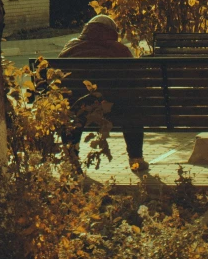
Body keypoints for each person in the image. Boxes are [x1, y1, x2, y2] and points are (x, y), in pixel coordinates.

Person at [58, 14, 149, 171]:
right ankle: (136, 158)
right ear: (111, 32)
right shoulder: (120, 50)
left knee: (70, 111)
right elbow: (135, 82)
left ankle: (71, 159)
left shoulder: (70, 47)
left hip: (78, 111)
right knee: (133, 109)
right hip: (115, 111)